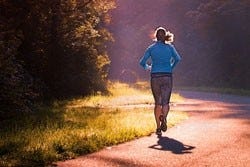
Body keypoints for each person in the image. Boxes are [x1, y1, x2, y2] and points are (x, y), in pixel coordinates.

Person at [139, 26, 181, 136]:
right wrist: (171, 67)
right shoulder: (170, 48)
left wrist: (148, 68)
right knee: (166, 102)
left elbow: (142, 62)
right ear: (165, 37)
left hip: (155, 76)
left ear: (156, 36)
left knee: (157, 103)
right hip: (167, 75)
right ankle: (165, 118)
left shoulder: (151, 48)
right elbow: (178, 59)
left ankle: (158, 128)